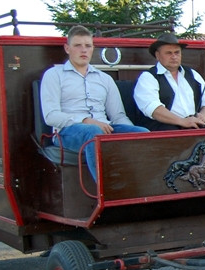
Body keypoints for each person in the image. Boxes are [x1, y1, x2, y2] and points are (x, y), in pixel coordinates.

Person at [40, 25, 148, 179]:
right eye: (78, 45)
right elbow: (51, 116)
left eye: (88, 46)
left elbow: (118, 116)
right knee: (93, 132)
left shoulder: (105, 79)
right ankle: (108, 193)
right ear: (67, 48)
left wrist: (129, 137)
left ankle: (142, 188)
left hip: (105, 128)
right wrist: (85, 120)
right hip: (67, 132)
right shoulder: (53, 75)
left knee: (142, 134)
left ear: (92, 49)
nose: (83, 50)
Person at [133, 32, 205, 130]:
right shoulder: (148, 77)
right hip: (163, 132)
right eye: (169, 53)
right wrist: (182, 121)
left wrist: (202, 115)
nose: (174, 56)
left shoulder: (193, 74)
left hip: (194, 128)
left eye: (177, 52)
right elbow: (153, 109)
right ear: (157, 55)